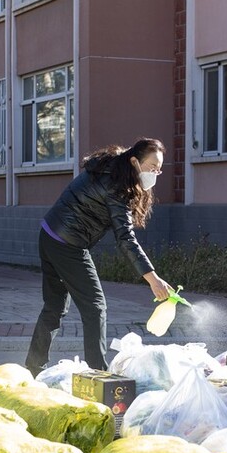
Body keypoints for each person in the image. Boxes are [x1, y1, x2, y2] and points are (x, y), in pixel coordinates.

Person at [25, 137, 174, 375]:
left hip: (50, 234)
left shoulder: (111, 168)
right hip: (67, 243)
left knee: (54, 307)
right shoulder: (117, 186)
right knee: (95, 307)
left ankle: (33, 368)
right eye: (151, 167)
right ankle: (98, 374)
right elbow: (125, 238)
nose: (155, 173)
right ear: (134, 161)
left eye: (159, 169)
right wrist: (153, 279)